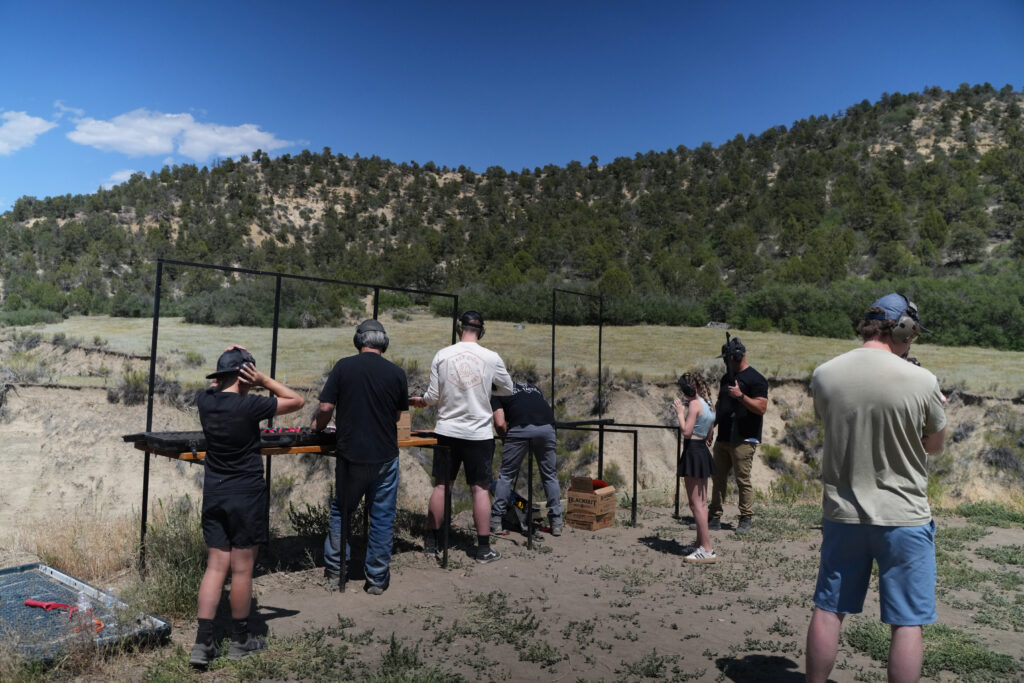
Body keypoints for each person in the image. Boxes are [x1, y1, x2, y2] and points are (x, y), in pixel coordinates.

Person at [804, 294, 947, 683]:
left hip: (842, 514)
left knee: (829, 609)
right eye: (913, 333)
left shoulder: (825, 374)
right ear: (903, 328)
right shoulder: (923, 381)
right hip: (903, 517)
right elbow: (933, 445)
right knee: (907, 622)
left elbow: (831, 422)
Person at [190, 346, 304, 667]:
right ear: (245, 375)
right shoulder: (250, 405)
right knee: (241, 569)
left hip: (215, 492)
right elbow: (297, 401)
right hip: (246, 494)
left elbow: (215, 387)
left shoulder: (206, 402)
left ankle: (203, 643)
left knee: (215, 567)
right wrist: (263, 379)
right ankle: (240, 640)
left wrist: (230, 367)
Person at [409, 310, 514, 564]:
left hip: (447, 430)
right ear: (481, 330)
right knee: (479, 490)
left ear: (460, 328)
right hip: (478, 433)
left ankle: (432, 543)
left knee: (442, 486)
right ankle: (483, 549)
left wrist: (421, 401)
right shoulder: (491, 357)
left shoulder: (442, 355)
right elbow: (507, 388)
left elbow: (432, 397)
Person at [313, 319, 409, 595]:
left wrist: (317, 427)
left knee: (342, 512)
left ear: (359, 341)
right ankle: (377, 579)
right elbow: (398, 415)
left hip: (350, 455)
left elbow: (325, 406)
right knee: (381, 516)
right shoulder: (397, 373)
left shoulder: (344, 366)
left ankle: (335, 573)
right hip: (385, 455)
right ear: (384, 343)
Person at [705, 336, 768, 534]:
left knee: (742, 480)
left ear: (737, 356)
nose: (725, 363)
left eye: (727, 359)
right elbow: (721, 405)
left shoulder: (757, 379)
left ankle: (745, 518)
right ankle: (714, 517)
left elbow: (761, 407)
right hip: (723, 436)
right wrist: (711, 426)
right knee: (717, 479)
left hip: (744, 438)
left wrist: (740, 396)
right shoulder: (726, 378)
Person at [490, 379, 563, 537]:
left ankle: (496, 521)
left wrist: (506, 440)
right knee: (550, 475)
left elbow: (500, 423)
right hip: (547, 428)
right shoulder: (531, 386)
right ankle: (556, 522)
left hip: (520, 427)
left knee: (507, 475)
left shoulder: (495, 392)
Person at [673, 372, 717, 563]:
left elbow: (686, 431)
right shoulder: (707, 403)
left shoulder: (694, 405)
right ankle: (700, 543)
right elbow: (709, 432)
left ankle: (707, 549)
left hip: (693, 452)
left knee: (696, 504)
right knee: (701, 503)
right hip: (701, 452)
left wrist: (680, 414)